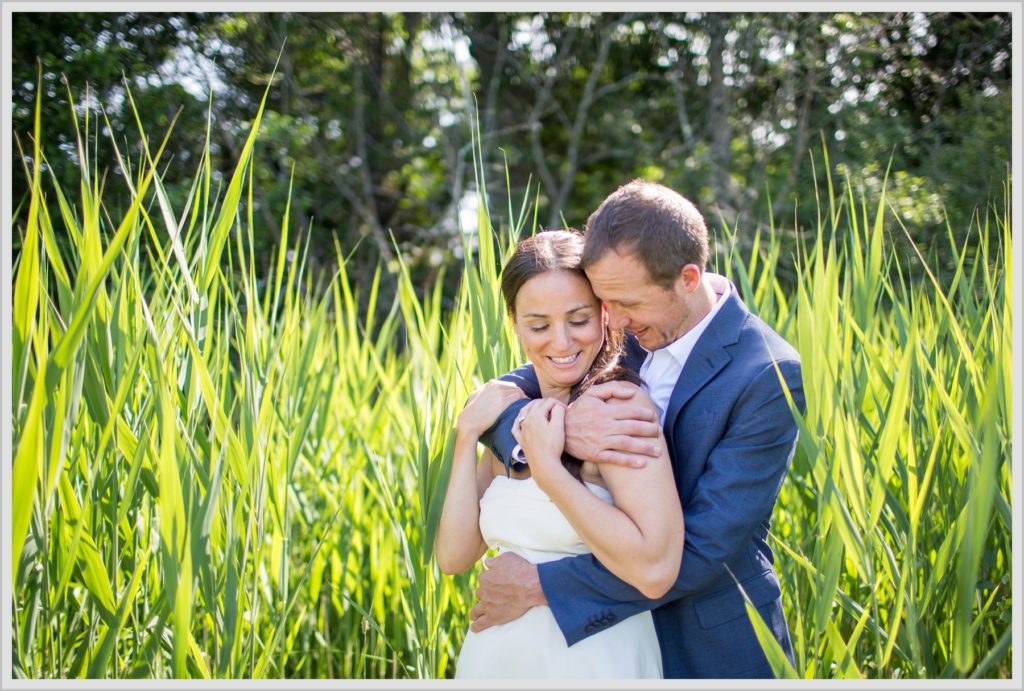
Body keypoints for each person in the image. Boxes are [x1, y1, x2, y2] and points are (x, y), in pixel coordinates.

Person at [476, 180, 805, 678]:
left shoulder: (765, 374)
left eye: (628, 304)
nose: (615, 322)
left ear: (688, 278)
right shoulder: (622, 322)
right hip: (597, 650)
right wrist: (550, 428)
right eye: (604, 303)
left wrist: (539, 587)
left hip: (708, 644)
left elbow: (703, 548)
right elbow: (514, 390)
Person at [435, 229, 683, 678]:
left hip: (592, 658)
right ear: (514, 324)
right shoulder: (515, 419)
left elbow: (653, 567)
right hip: (496, 663)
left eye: (578, 319)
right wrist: (467, 436)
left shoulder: (618, 411)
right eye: (539, 325)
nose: (562, 342)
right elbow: (453, 557)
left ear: (605, 314)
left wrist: (549, 469)